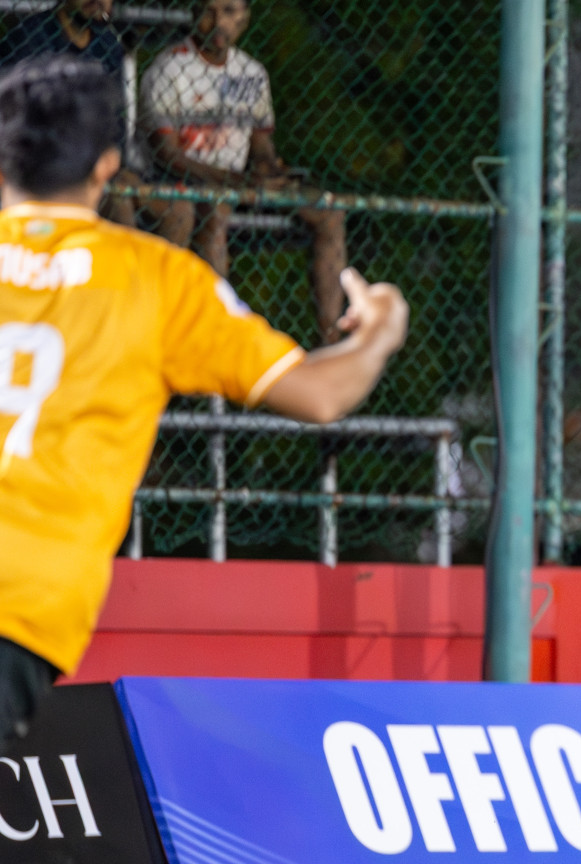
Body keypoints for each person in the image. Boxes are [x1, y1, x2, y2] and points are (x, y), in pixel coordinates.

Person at [0, 55, 409, 750]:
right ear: (105, 166)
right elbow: (319, 394)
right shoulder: (154, 278)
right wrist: (378, 333)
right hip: (24, 600)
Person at [140, 0, 347, 342]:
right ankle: (214, 333)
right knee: (216, 210)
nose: (219, 21)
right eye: (210, 11)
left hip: (242, 183)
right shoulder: (169, 69)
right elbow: (168, 155)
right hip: (190, 182)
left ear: (245, 18)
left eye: (230, 11)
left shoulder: (252, 73)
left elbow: (262, 145)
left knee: (329, 211)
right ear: (195, 14)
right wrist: (236, 180)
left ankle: (330, 338)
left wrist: (269, 169)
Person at [0, 0, 172, 230]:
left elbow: (115, 120)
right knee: (119, 204)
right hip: (45, 162)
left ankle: (147, 265)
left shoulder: (107, 43)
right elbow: (15, 121)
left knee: (177, 210)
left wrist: (116, 165)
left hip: (96, 161)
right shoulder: (30, 37)